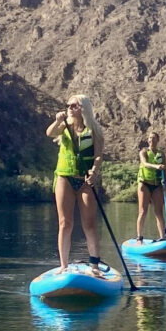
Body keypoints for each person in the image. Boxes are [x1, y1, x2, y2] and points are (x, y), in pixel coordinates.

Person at [46, 94, 104, 274]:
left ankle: (94, 265)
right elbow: (50, 133)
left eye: (74, 105)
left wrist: (94, 171)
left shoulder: (94, 130)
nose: (70, 108)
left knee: (89, 223)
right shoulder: (64, 126)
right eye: (68, 105)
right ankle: (63, 265)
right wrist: (57, 121)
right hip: (64, 176)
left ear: (83, 108)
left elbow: (99, 155)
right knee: (65, 223)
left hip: (85, 180)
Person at [136, 131, 166, 243]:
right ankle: (139, 237)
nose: (152, 140)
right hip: (144, 183)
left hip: (157, 184)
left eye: (154, 138)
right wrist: (156, 166)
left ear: (157, 140)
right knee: (143, 211)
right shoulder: (144, 152)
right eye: (150, 138)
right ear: (148, 140)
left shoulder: (161, 154)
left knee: (159, 212)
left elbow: (164, 169)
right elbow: (144, 163)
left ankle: (162, 237)